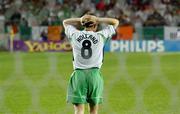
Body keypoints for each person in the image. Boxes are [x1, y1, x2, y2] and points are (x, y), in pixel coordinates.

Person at [63, 13, 119, 114]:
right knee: (94, 110)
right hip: (94, 75)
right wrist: (98, 19)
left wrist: (81, 19)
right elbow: (115, 22)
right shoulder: (101, 35)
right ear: (95, 25)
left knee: (79, 110)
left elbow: (65, 22)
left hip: (79, 75)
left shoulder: (75, 34)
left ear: (83, 24)